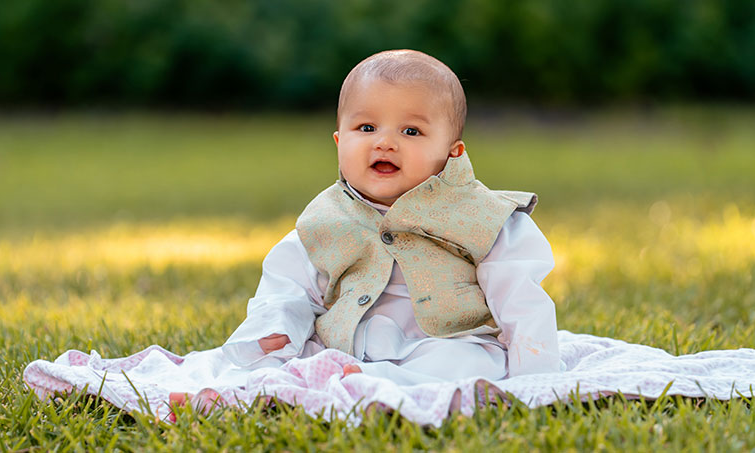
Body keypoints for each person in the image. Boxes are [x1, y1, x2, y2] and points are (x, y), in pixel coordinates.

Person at [170, 49, 563, 415]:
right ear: (340, 141)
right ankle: (235, 395)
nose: (385, 142)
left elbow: (521, 301)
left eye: (411, 131)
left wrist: (537, 379)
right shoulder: (326, 220)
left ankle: (383, 389)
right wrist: (275, 327)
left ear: (452, 151)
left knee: (473, 364)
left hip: (443, 343)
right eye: (367, 126)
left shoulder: (482, 217)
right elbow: (289, 285)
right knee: (295, 358)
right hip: (346, 346)